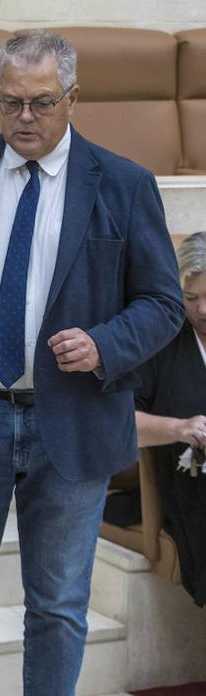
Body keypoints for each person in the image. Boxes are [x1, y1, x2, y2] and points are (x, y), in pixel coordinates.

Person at [0, 29, 183, 695]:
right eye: (9, 102)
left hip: (72, 424)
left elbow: (164, 303)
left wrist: (107, 343)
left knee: (58, 607)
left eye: (41, 103)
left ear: (73, 98)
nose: (24, 118)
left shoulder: (124, 185)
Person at [135, 231, 206, 606]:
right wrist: (180, 428)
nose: (204, 310)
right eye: (192, 298)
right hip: (188, 484)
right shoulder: (161, 340)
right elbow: (119, 423)